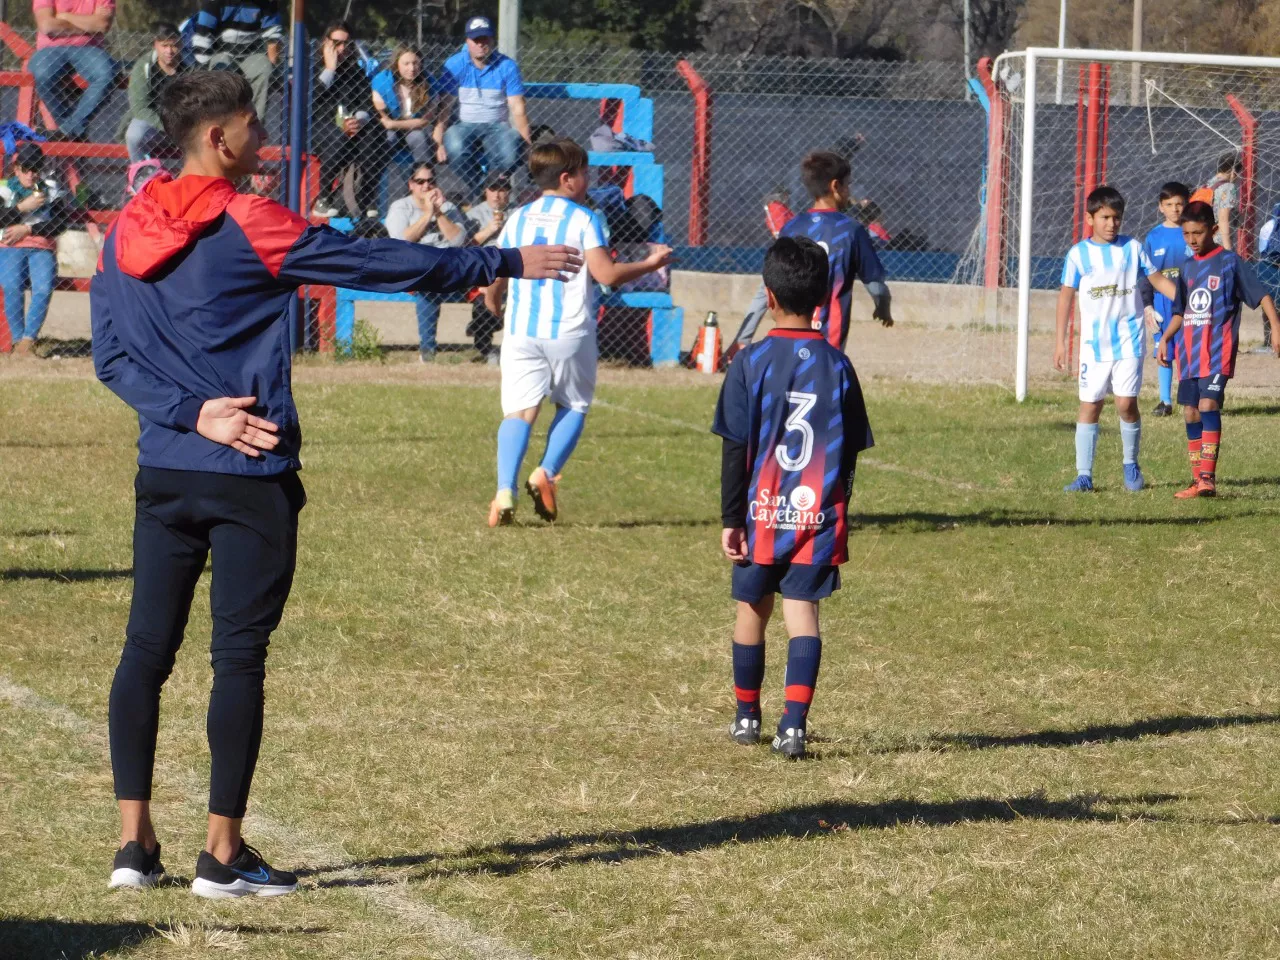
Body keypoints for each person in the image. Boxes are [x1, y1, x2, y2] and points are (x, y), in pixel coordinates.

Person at [91, 69, 581, 898]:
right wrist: (502, 259)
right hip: (251, 472)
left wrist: (185, 413)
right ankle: (222, 856)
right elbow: (375, 262)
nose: (263, 141)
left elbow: (110, 358)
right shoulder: (251, 219)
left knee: (146, 652)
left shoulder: (124, 225)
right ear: (218, 138)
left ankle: (133, 848)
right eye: (251, 126)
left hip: (165, 468)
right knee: (237, 658)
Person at [712, 235, 872, 760]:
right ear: (826, 296)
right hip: (815, 514)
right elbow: (849, 451)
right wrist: (836, 507)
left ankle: (745, 714)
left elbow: (736, 449)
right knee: (803, 614)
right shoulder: (839, 366)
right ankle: (794, 726)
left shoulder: (748, 362)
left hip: (759, 516)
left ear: (769, 296)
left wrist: (731, 518)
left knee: (750, 611)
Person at [483, 138, 672, 527]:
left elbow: (497, 272)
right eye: (585, 172)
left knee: (520, 411)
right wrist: (650, 262)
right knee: (573, 405)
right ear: (568, 179)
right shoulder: (584, 218)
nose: (590, 179)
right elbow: (606, 275)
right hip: (569, 330)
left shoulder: (518, 217)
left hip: (521, 331)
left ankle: (505, 490)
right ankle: (545, 473)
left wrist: (494, 301)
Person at [1054, 186, 1176, 494]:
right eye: (1106, 217)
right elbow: (1066, 298)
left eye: (1117, 217)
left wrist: (1187, 301)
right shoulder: (1078, 254)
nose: (1112, 224)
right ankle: (1084, 476)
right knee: (1090, 405)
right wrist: (1059, 342)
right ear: (1090, 218)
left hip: (1129, 339)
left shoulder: (1132, 248)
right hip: (1094, 346)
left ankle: (1130, 463)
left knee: (1125, 404)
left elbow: (1157, 279)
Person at [1157, 201, 1280, 499]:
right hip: (1188, 355)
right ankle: (1196, 479)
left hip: (1217, 352)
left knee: (1208, 406)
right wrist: (1164, 339)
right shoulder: (1186, 267)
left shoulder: (1229, 262)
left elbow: (1261, 295)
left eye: (1197, 233)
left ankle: (1208, 479)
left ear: (1212, 229)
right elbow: (1180, 311)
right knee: (1189, 412)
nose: (1191, 240)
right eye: (1186, 234)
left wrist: (1276, 327)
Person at [726, 151, 893, 362]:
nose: (849, 190)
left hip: (789, 334)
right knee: (823, 385)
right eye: (847, 184)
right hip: (828, 339)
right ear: (835, 186)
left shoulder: (792, 227)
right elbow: (874, 283)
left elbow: (770, 284)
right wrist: (883, 306)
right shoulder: (851, 230)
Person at [436, 15, 531, 199]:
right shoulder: (454, 64)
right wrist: (439, 137)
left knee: (511, 151)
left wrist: (527, 143)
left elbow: (517, 107)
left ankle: (491, 188)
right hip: (465, 124)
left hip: (497, 125)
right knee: (454, 146)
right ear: (467, 41)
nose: (480, 44)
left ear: (492, 40)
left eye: (484, 39)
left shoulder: (507, 66)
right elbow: (445, 105)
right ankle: (483, 190)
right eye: (476, 40)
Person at [385, 163, 469, 361]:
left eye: (431, 181)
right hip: (414, 267)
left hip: (447, 266)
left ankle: (485, 347)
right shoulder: (401, 206)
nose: (426, 186)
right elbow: (400, 241)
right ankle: (428, 350)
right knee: (427, 288)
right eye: (420, 181)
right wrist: (427, 214)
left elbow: (458, 240)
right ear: (411, 185)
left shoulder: (447, 207)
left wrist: (438, 212)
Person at [0, 143, 67, 356]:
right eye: (26, 169)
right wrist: (22, 208)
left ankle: (28, 340)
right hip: (10, 245)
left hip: (41, 245)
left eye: (35, 169)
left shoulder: (50, 188)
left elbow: (60, 223)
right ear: (16, 168)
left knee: (43, 287)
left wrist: (27, 228)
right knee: (11, 285)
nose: (31, 175)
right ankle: (18, 339)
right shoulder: (6, 188)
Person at [311, 20, 383, 218]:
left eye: (347, 44)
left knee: (374, 133)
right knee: (338, 134)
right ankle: (324, 197)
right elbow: (311, 99)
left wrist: (358, 120)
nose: (342, 48)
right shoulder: (313, 67)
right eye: (336, 43)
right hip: (319, 127)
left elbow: (365, 104)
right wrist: (330, 69)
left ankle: (367, 198)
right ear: (326, 43)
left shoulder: (355, 71)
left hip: (350, 126)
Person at [28, 0, 116, 140]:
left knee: (107, 74)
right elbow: (47, 26)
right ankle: (72, 131)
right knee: (42, 73)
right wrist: (88, 25)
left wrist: (64, 16)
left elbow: (102, 25)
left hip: (89, 49)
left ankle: (67, 130)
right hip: (50, 49)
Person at [1139, 181, 1191, 417]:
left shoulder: (1192, 231)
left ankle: (1190, 397)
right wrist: (1148, 305)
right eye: (1169, 204)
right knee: (1164, 349)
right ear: (1161, 207)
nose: (1175, 209)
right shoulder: (1154, 237)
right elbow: (1146, 275)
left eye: (1179, 204)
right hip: (1162, 302)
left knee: (1187, 348)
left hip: (1190, 299)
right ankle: (1165, 401)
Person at [189, 1, 284, 126]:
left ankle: (255, 124)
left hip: (252, 54)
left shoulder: (267, 3)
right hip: (220, 53)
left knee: (264, 68)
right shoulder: (213, 3)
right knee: (222, 69)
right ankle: (224, 122)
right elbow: (202, 37)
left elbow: (273, 36)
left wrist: (273, 67)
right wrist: (203, 71)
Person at [465, 170, 512, 361]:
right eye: (493, 189)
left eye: (502, 190)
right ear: (485, 191)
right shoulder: (474, 214)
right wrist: (489, 230)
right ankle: (485, 347)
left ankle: (479, 327)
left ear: (509, 192)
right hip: (482, 268)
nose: (497, 194)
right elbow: (465, 246)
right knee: (484, 295)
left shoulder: (518, 212)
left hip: (510, 268)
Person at [125, 22, 187, 161]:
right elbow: (140, 108)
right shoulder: (144, 66)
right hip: (153, 121)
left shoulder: (190, 67)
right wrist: (166, 125)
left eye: (174, 45)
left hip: (183, 120)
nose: (169, 51)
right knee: (134, 136)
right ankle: (143, 177)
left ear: (181, 45)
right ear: (155, 45)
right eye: (164, 46)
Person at [371, 45, 441, 167]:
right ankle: (380, 176)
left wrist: (394, 124)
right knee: (388, 139)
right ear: (397, 64)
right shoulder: (382, 81)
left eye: (415, 63)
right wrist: (391, 125)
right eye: (406, 63)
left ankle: (424, 178)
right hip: (390, 129)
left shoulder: (430, 83)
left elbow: (425, 120)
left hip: (414, 128)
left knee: (419, 138)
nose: (412, 68)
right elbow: (382, 117)